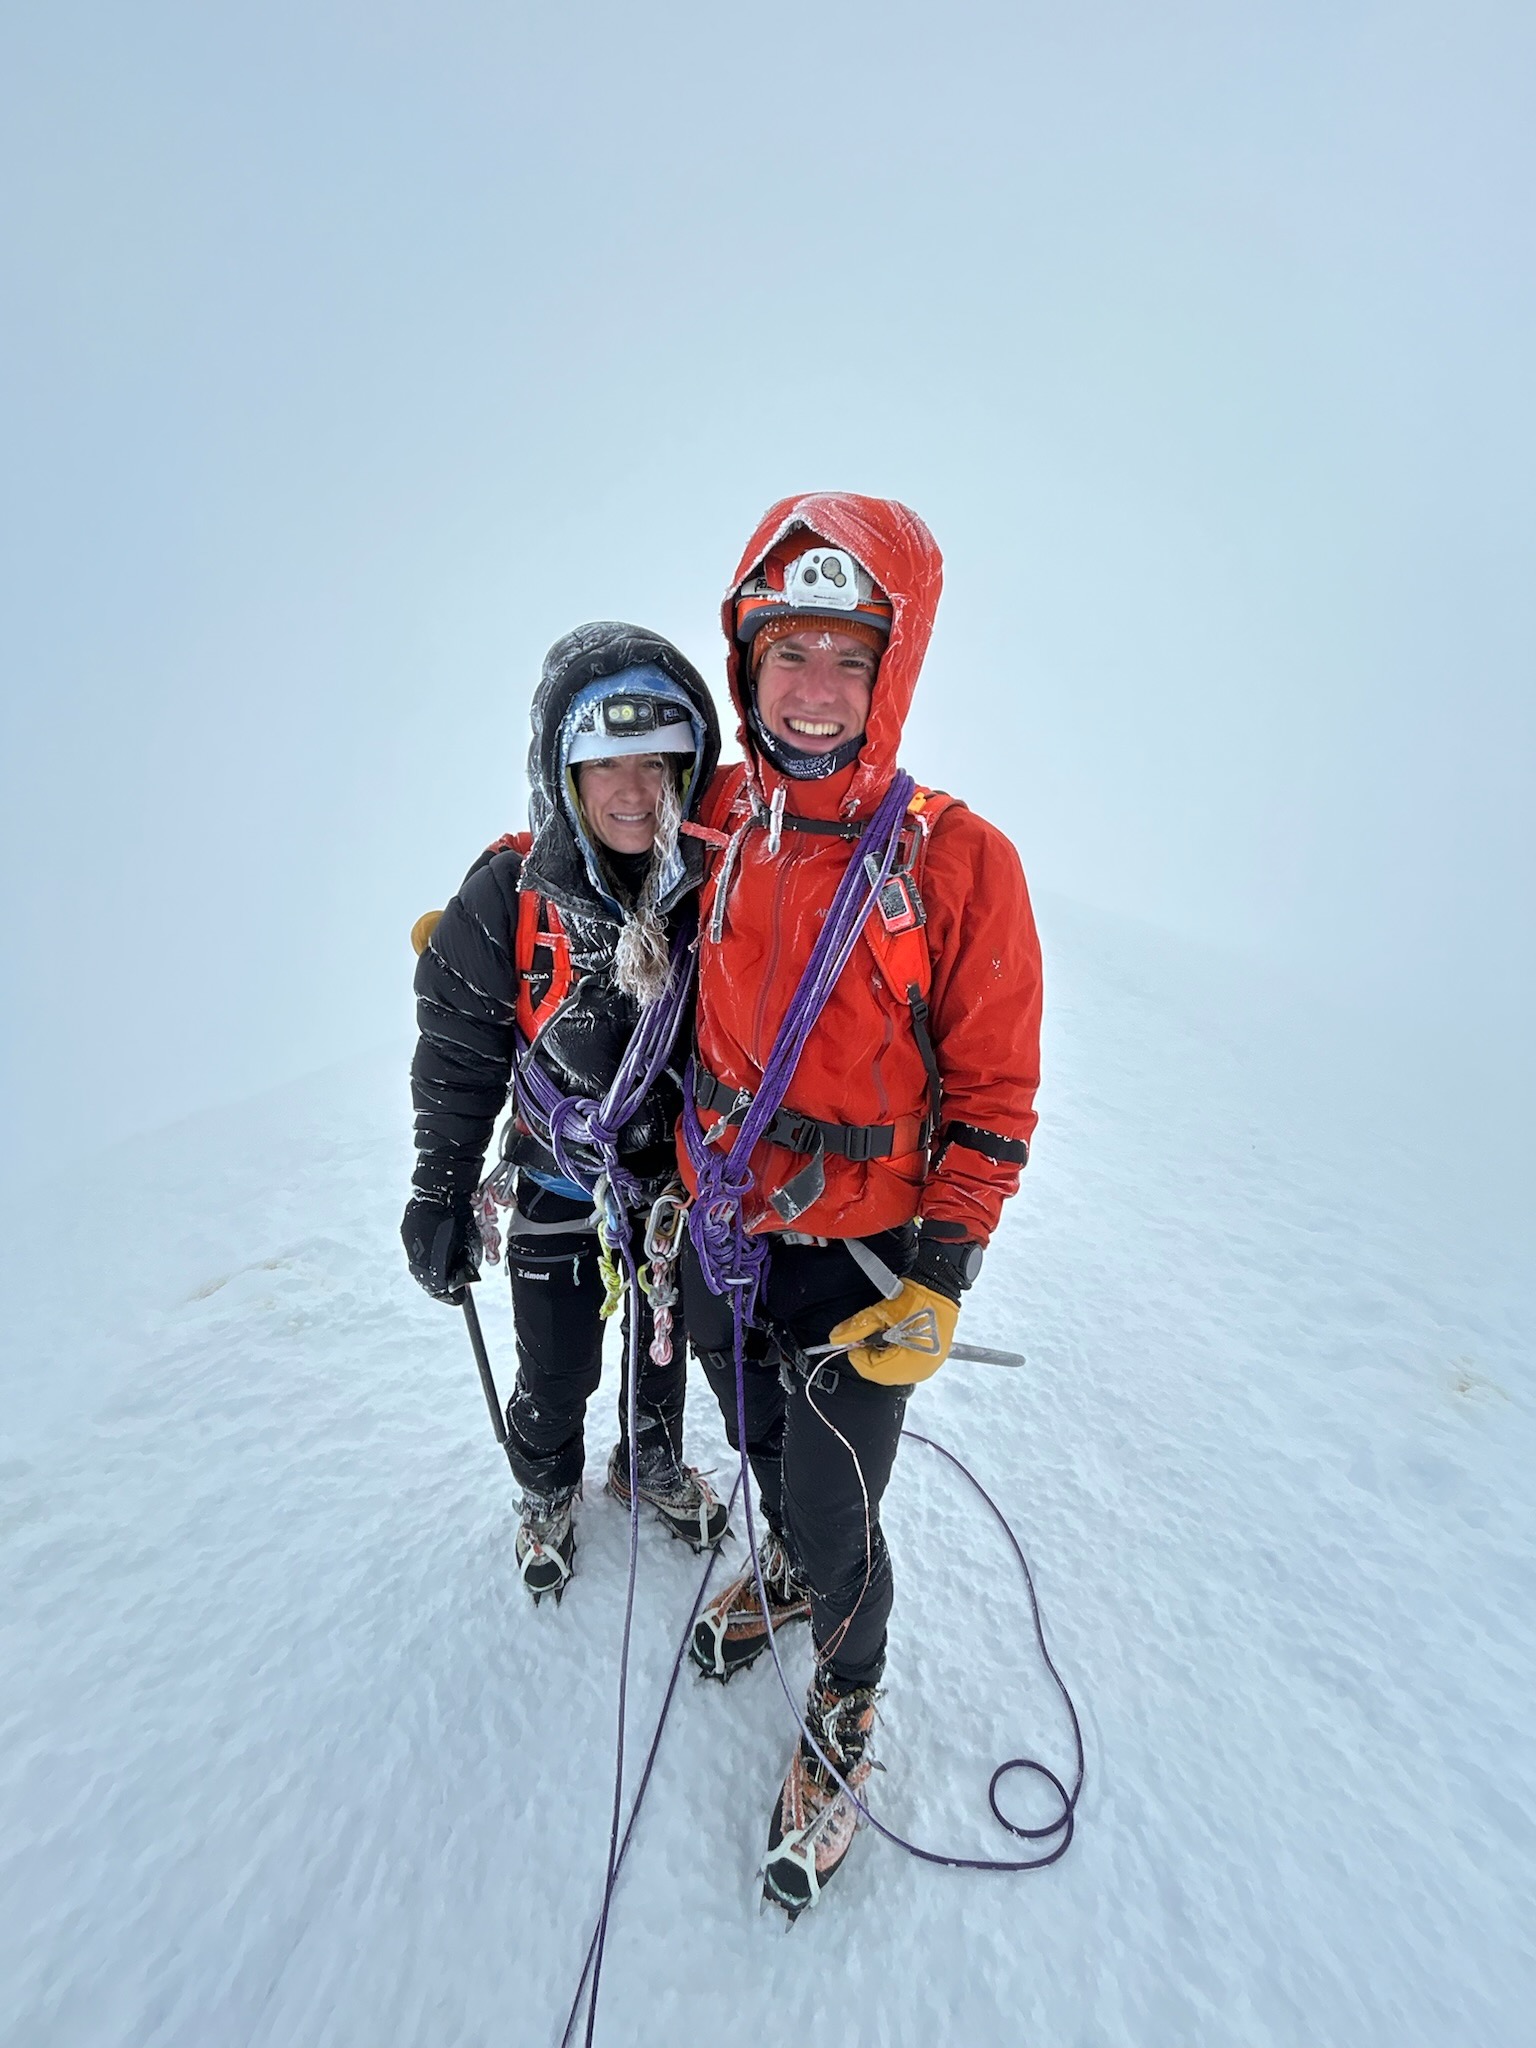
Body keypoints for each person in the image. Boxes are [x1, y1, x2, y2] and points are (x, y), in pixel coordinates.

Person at [678, 494, 1042, 1916]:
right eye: (790, 658)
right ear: (748, 668)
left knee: (840, 1509)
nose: (815, 694)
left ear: (892, 673)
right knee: (751, 1427)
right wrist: (487, 912)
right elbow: (593, 837)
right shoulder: (718, 822)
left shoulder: (959, 861)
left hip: (865, 1261)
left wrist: (941, 1273)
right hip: (719, 1227)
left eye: (849, 659)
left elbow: (998, 1096)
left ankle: (845, 1700)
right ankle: (778, 1562)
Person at [403, 622, 727, 1602]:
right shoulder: (506, 894)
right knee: (556, 1360)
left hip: (672, 1188)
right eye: (604, 763)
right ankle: (546, 1487)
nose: (634, 790)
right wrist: (441, 1190)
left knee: (660, 1351)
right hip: (552, 1174)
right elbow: (459, 1060)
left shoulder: (722, 893)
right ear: (562, 769)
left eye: (657, 763)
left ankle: (651, 1462)